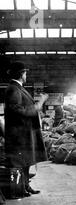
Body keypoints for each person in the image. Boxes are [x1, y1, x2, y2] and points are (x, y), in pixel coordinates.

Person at [4, 61, 49, 196]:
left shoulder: (18, 88)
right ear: (20, 74)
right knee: (21, 161)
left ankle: (26, 185)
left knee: (27, 160)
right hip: (19, 134)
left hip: (23, 132)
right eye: (25, 72)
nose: (26, 75)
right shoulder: (13, 89)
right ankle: (21, 188)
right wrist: (37, 105)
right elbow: (16, 109)